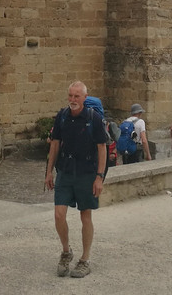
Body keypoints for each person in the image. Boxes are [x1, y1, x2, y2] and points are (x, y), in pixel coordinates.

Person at [45, 80, 109, 279]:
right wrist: (48, 172)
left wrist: (99, 177)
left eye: (77, 96)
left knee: (85, 216)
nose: (73, 100)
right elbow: (55, 144)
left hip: (86, 173)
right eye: (70, 96)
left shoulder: (93, 119)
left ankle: (85, 260)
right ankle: (66, 252)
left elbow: (102, 148)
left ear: (84, 98)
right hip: (65, 171)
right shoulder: (62, 116)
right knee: (58, 215)